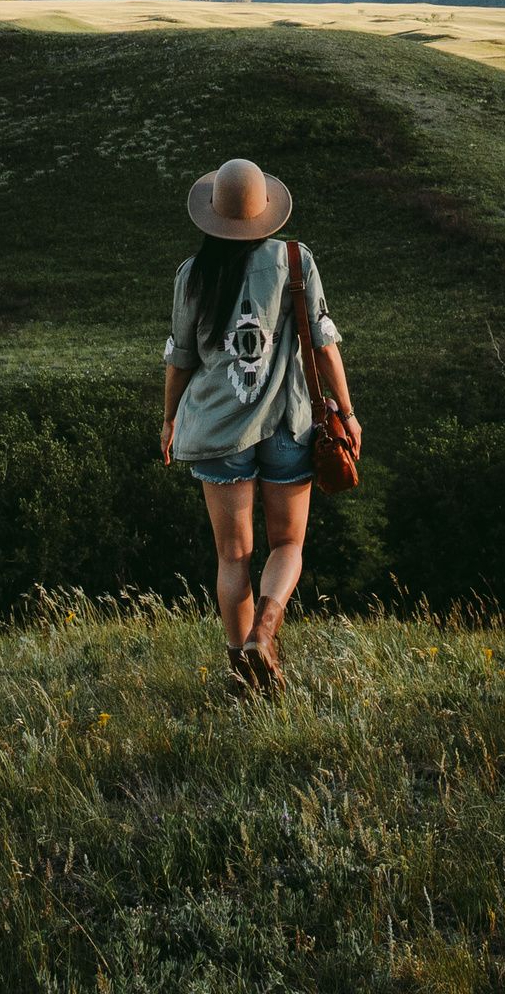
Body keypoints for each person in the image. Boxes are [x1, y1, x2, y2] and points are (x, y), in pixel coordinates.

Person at [157, 154, 359, 694]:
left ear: (215, 216)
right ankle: (264, 634)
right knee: (287, 544)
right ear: (265, 212)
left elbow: (180, 359)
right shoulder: (295, 259)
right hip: (289, 424)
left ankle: (241, 674)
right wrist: (348, 411)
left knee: (232, 555)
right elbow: (324, 345)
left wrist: (170, 418)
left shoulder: (194, 273)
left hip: (219, 429)